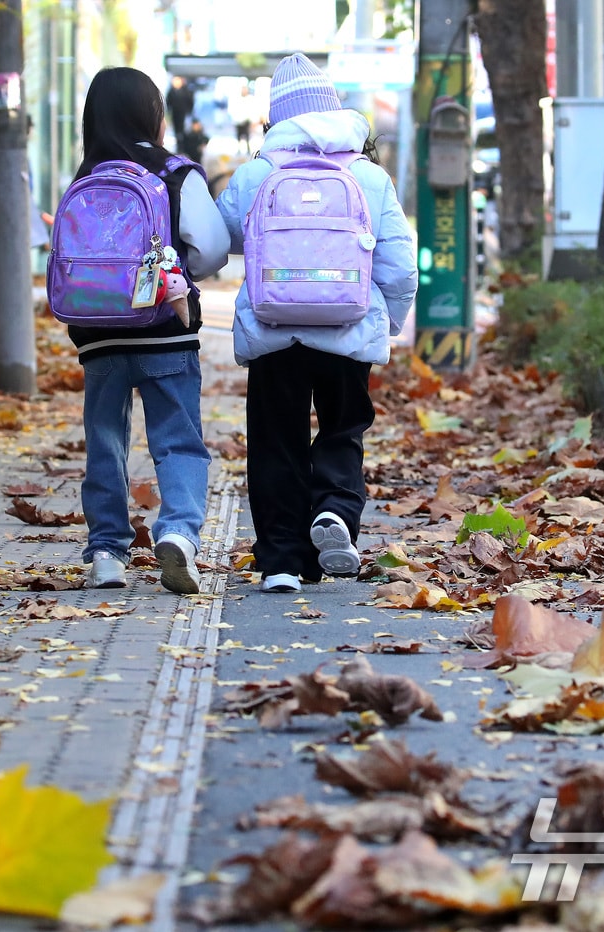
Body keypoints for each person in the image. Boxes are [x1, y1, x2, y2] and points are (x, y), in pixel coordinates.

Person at [215, 53, 417, 594]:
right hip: (347, 327)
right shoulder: (369, 177)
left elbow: (220, 238)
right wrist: (387, 324)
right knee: (343, 430)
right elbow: (399, 265)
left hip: (273, 327)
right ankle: (333, 512)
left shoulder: (258, 173)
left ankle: (282, 560)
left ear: (276, 118)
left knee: (275, 439)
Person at [62, 67, 230, 595]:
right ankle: (178, 533)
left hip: (99, 334)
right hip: (165, 329)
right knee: (178, 440)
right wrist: (177, 277)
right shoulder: (177, 173)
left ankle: (107, 553)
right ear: (155, 116)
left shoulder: (85, 179)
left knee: (106, 442)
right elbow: (210, 248)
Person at [227, 84, 258, 154]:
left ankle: (248, 149)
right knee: (238, 136)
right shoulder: (236, 99)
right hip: (238, 121)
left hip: (246, 121)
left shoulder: (250, 99)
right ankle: (239, 149)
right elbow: (232, 110)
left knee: (247, 136)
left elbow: (253, 110)